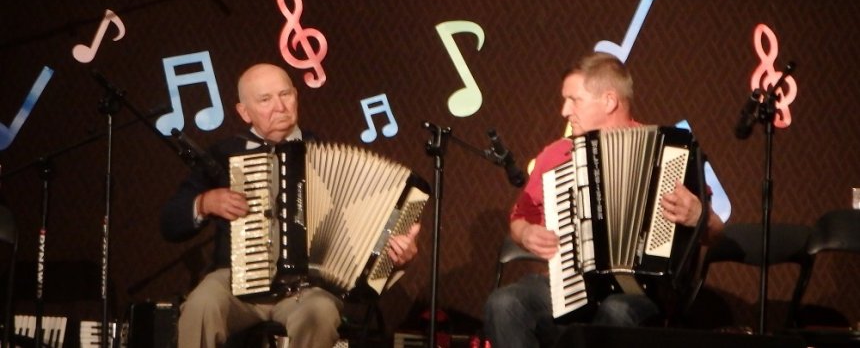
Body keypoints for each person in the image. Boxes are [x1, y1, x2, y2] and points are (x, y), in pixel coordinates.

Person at [161, 62, 421, 348]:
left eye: (285, 95)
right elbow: (170, 223)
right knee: (201, 304)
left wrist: (395, 257)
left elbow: (366, 234)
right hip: (234, 282)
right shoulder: (223, 155)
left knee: (320, 314)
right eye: (265, 99)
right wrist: (204, 202)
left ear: (296, 96)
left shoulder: (328, 156)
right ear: (244, 112)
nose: (279, 106)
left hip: (307, 290)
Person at [483, 52, 725, 348]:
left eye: (574, 100)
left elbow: (714, 233)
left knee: (616, 312)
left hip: (643, 292)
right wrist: (525, 233)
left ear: (609, 101)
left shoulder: (667, 152)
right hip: (569, 286)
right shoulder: (556, 155)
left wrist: (699, 216)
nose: (564, 110)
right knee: (504, 304)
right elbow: (519, 218)